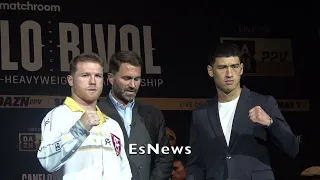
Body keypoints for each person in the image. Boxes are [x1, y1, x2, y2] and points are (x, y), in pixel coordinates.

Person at [186, 43, 299, 180]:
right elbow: (195, 164)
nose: (229, 74)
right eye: (222, 67)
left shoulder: (263, 103)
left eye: (234, 66)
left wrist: (270, 122)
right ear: (211, 71)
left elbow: (292, 147)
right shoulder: (201, 114)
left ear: (241, 69)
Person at [37, 53, 131, 180]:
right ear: (71, 80)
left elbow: (124, 173)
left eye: (97, 76)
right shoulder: (59, 116)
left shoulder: (112, 125)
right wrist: (80, 128)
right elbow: (47, 160)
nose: (92, 82)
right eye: (85, 75)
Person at [98, 50, 173, 180]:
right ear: (111, 78)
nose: (132, 85)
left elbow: (164, 158)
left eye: (136, 79)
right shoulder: (96, 112)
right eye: (126, 78)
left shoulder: (152, 115)